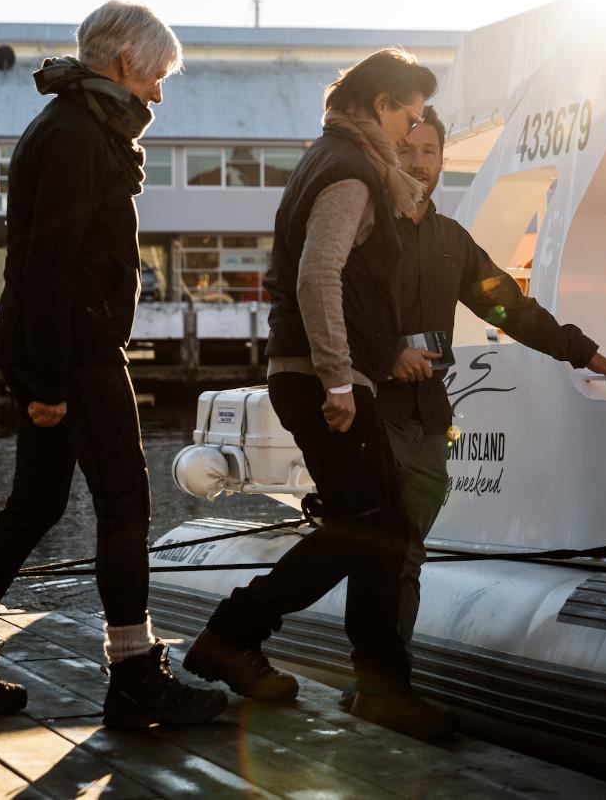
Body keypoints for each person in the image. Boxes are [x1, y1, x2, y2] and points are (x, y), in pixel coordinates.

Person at [0, 0, 227, 729]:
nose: (158, 93)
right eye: (156, 77)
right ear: (123, 65)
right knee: (126, 500)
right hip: (76, 352)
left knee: (37, 502)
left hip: (62, 348)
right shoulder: (79, 136)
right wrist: (49, 382)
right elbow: (47, 267)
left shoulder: (74, 127)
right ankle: (134, 675)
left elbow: (40, 266)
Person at [182, 48, 457, 741]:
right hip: (321, 374)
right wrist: (339, 375)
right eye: (408, 115)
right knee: (376, 528)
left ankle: (370, 683)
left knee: (370, 527)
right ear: (380, 104)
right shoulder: (350, 171)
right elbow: (317, 275)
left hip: (318, 370)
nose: (410, 132)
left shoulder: (332, 155)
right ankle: (236, 636)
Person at [338, 106, 606, 706]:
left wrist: (581, 351)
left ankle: (389, 683)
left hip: (429, 417)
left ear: (443, 161)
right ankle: (378, 683)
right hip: (373, 414)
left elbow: (507, 308)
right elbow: (332, 307)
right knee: (379, 552)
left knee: (408, 555)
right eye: (408, 150)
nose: (419, 163)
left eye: (431, 153)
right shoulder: (364, 231)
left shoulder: (451, 241)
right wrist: (387, 353)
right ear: (389, 154)